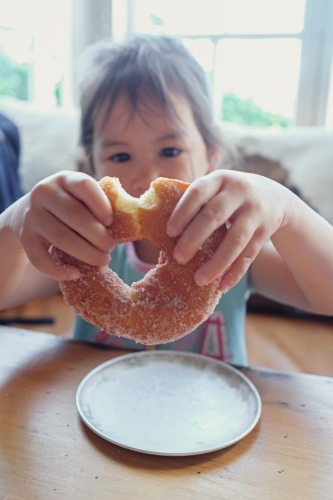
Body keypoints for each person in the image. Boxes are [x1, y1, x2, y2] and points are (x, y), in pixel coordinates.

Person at [1, 34, 333, 365]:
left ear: (211, 157)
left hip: (211, 408)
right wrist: (16, 219)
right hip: (97, 406)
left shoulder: (235, 247)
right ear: (93, 163)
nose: (148, 176)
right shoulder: (77, 243)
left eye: (170, 150)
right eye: (120, 155)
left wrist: (286, 209)